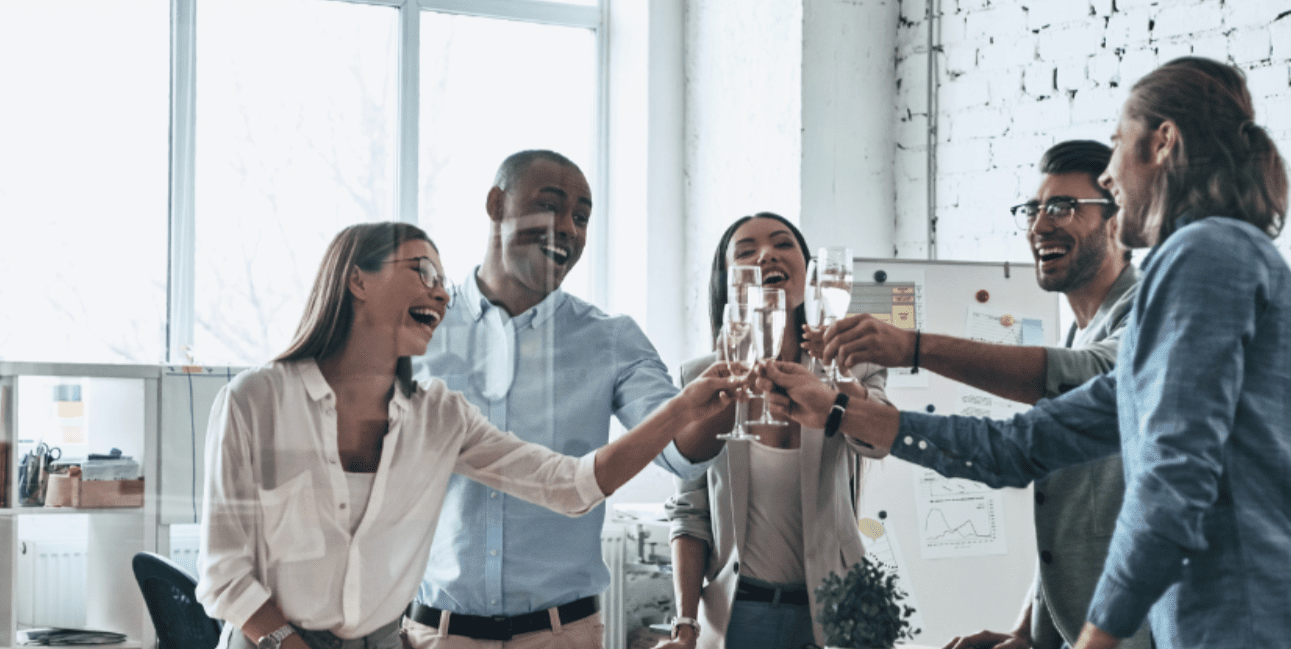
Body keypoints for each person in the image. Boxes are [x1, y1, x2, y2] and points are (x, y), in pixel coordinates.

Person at [764, 57, 1291, 649]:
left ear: (1163, 144)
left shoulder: (1204, 253)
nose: (1109, 176)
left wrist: (1097, 636)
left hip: (1260, 620)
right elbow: (1022, 447)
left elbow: (1174, 477)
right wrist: (839, 411)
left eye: (1117, 144)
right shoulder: (1199, 268)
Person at [197, 222, 738, 649]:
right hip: (267, 641)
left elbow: (571, 487)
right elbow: (223, 572)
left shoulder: (439, 416)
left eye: (441, 279)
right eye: (421, 270)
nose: (440, 290)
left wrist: (681, 409)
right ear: (356, 279)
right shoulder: (256, 400)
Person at [813, 141, 1152, 649]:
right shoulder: (1078, 331)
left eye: (1063, 207)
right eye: (1033, 210)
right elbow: (1075, 515)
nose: (1040, 225)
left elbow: (1095, 375)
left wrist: (913, 346)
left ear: (1116, 218)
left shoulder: (1147, 310)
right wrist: (1028, 633)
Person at [406, 150, 718, 649]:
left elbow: (684, 453)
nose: (568, 228)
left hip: (562, 636)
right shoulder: (420, 330)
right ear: (495, 204)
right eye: (551, 206)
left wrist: (722, 399)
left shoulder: (612, 340)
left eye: (582, 217)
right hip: (436, 634)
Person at [655, 213, 894, 649]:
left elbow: (877, 443)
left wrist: (836, 380)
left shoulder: (855, 365)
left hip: (838, 607)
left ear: (810, 270)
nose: (767, 255)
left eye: (783, 244)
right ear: (729, 284)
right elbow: (689, 514)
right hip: (739, 614)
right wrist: (684, 625)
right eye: (746, 253)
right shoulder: (700, 379)